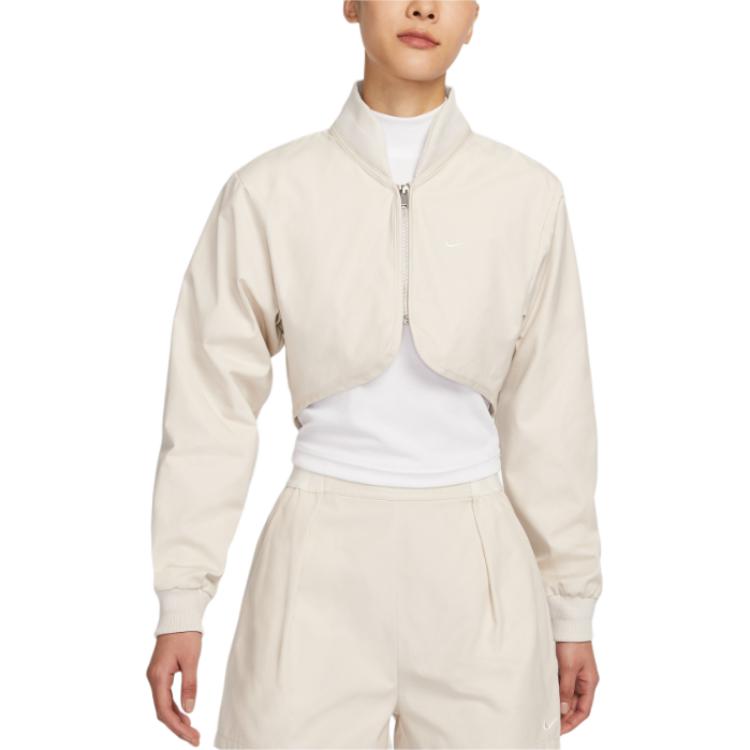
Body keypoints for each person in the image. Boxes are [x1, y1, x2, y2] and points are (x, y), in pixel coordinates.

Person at [145, 2, 603, 748]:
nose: (423, 6)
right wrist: (181, 600)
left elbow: (553, 414)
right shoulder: (270, 191)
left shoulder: (527, 196)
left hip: (480, 573)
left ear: (475, 15)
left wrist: (570, 608)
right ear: (351, 3)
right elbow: (209, 401)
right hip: (315, 566)